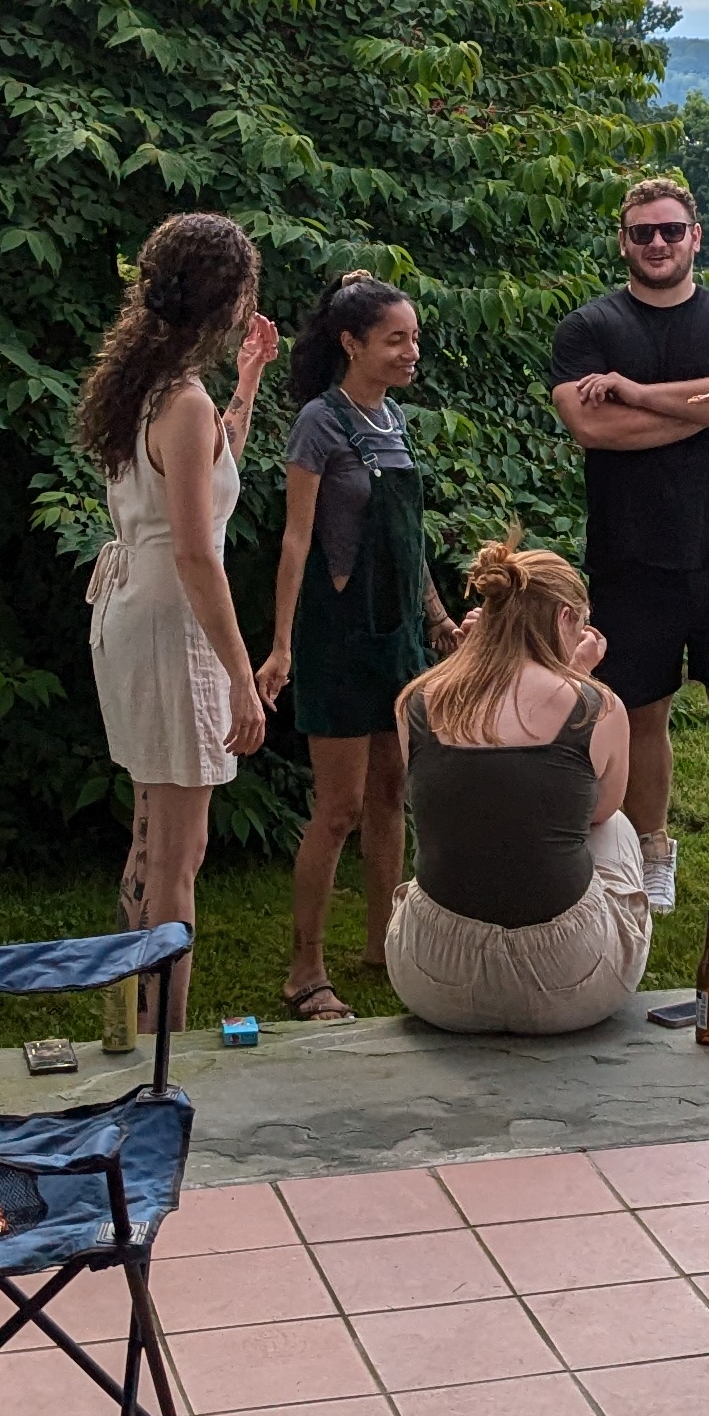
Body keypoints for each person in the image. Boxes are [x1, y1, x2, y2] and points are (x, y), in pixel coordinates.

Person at [547, 175, 709, 923]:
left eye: (670, 231)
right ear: (623, 242)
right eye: (641, 233)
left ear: (697, 237)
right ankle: (654, 851)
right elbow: (594, 430)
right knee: (642, 712)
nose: (656, 243)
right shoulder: (587, 330)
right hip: (632, 555)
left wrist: (636, 392)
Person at [74, 212, 278, 1037]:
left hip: (131, 608)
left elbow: (205, 468)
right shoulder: (178, 399)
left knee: (151, 831)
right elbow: (199, 554)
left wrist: (248, 387)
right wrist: (240, 678)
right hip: (171, 620)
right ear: (227, 298)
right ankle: (163, 1045)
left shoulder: (148, 385)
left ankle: (128, 1026)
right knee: (179, 858)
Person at [257, 272, 458, 1022]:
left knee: (391, 792)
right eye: (395, 339)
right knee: (337, 807)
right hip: (338, 637)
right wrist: (280, 647)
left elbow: (408, 543)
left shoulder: (395, 419)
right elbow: (296, 540)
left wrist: (437, 618)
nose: (411, 352)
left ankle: (386, 946)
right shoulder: (321, 421)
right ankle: (304, 969)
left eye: (413, 338)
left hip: (398, 639)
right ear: (352, 343)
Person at [378, 539, 653, 1034]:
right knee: (616, 827)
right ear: (566, 616)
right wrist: (578, 675)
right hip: (568, 980)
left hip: (434, 978)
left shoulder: (416, 702)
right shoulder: (595, 706)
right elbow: (595, 810)